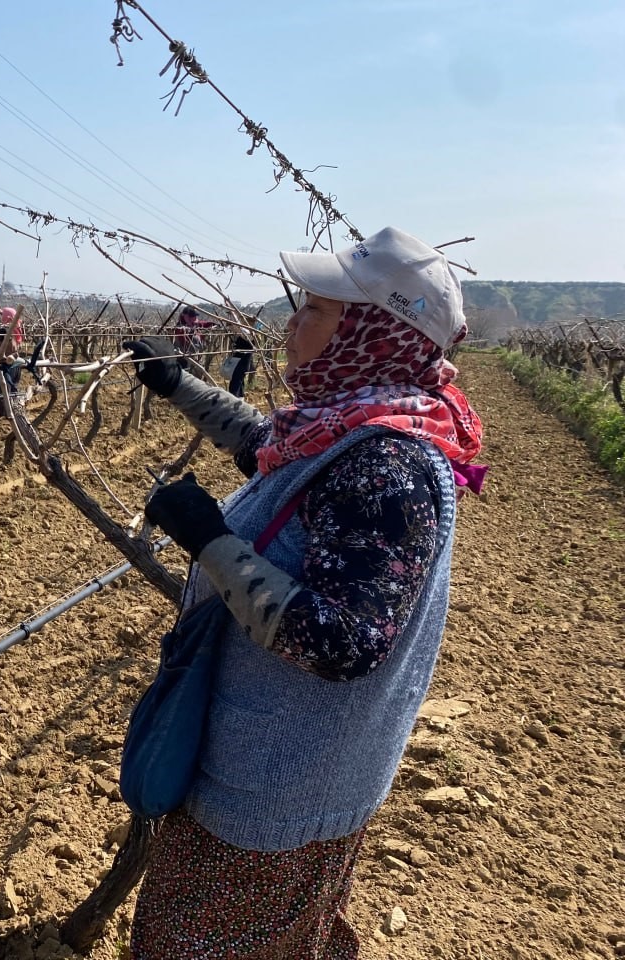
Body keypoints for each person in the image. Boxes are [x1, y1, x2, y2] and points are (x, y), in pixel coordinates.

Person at [123, 226, 486, 959]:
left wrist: (210, 540)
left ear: (373, 332)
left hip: (278, 788)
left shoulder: (387, 466)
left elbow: (343, 641)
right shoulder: (352, 427)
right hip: (274, 764)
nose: (292, 323)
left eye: (316, 309)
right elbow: (274, 451)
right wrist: (180, 384)